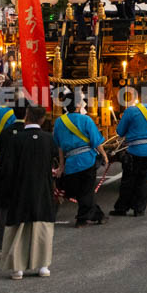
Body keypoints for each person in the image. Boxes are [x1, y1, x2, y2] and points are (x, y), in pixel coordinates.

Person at [0, 106, 62, 280]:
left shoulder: (16, 139)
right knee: (43, 228)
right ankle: (43, 265)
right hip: (42, 189)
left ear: (27, 117)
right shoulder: (49, 139)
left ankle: (17, 268)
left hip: (20, 189)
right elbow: (55, 164)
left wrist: (5, 190)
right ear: (42, 120)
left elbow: (8, 168)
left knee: (18, 227)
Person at [54, 96, 109, 227]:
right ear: (78, 106)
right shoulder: (86, 120)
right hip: (87, 160)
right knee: (86, 191)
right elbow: (96, 141)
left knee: (81, 191)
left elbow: (59, 146)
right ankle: (82, 219)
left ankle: (98, 215)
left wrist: (61, 165)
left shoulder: (59, 122)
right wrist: (104, 155)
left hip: (71, 162)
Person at [111, 93, 147, 217]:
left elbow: (120, 131)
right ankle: (139, 209)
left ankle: (122, 208)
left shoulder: (131, 111)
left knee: (128, 180)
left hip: (133, 151)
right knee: (144, 181)